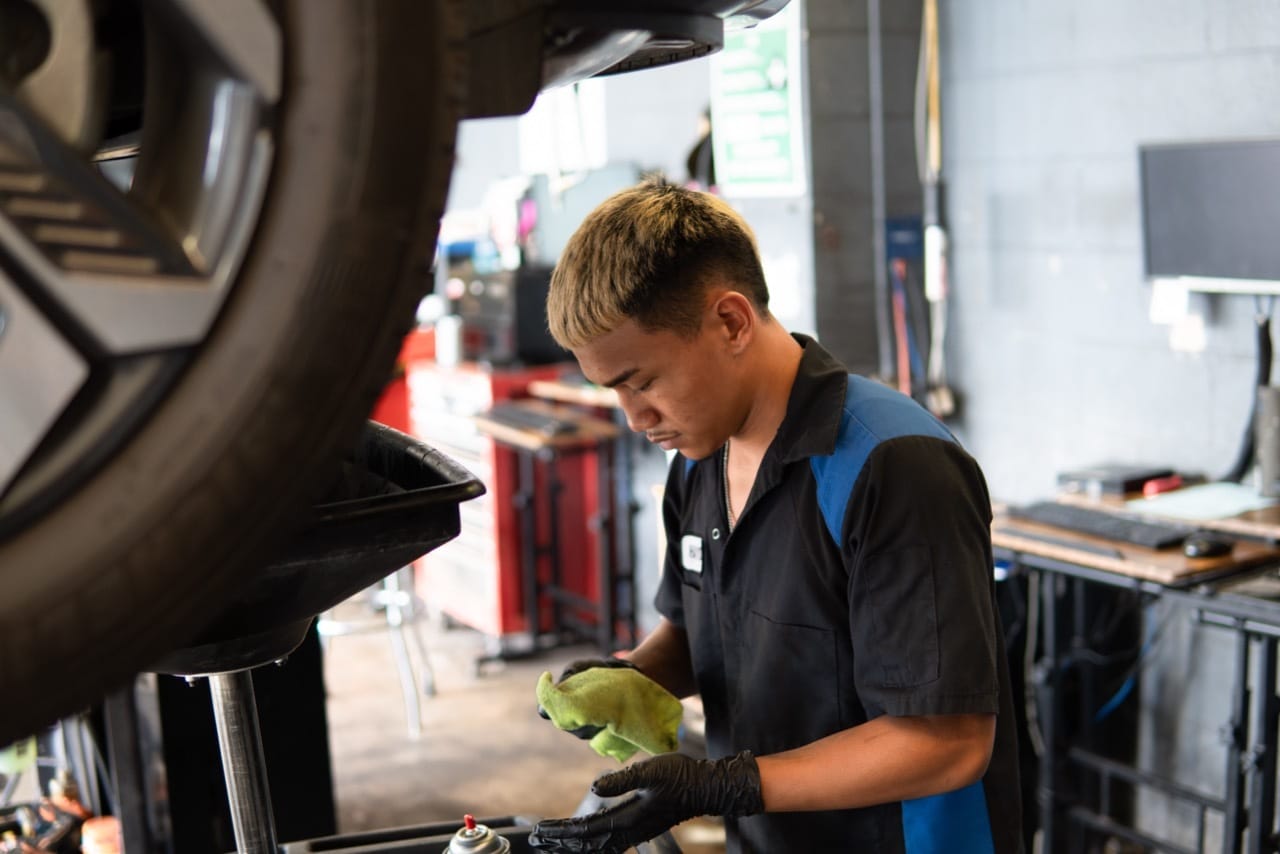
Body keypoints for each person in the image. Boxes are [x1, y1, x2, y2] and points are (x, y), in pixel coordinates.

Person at [529, 178, 1022, 853]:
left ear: (730, 322)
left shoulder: (892, 465)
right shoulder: (698, 461)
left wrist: (720, 785)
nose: (635, 419)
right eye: (613, 392)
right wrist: (630, 678)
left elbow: (949, 742)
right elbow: (706, 634)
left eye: (642, 382)